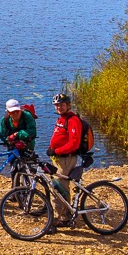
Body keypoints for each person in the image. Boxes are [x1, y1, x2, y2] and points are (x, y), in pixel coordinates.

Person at [47, 92, 82, 230]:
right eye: (57, 105)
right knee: (58, 185)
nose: (59, 108)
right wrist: (52, 148)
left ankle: (64, 218)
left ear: (68, 105)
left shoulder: (73, 120)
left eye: (61, 105)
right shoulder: (62, 119)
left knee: (58, 186)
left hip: (66, 158)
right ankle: (64, 213)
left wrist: (57, 151)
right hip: (58, 158)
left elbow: (74, 143)